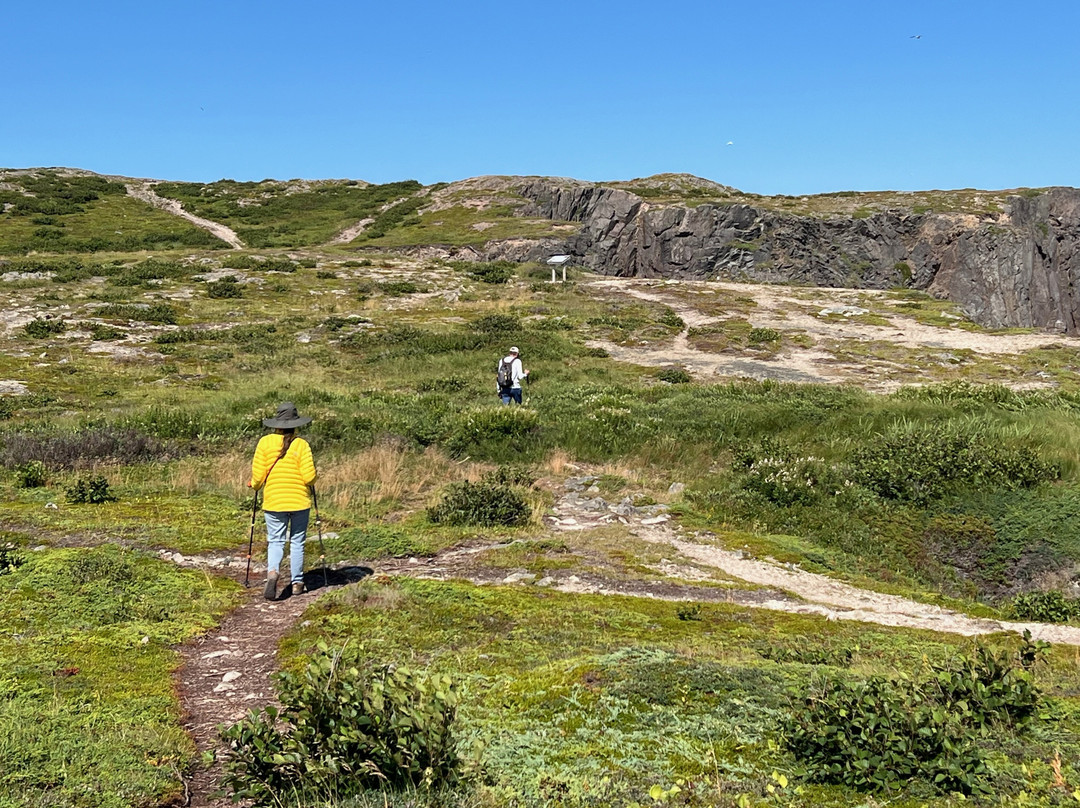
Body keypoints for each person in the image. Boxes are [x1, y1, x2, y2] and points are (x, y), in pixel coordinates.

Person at [249, 401, 317, 600]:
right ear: (296, 423)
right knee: (297, 542)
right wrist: (316, 477)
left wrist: (253, 485)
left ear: (276, 422)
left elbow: (258, 477)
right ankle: (297, 583)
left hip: (274, 502)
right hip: (299, 501)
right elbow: (309, 477)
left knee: (276, 541)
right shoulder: (302, 445)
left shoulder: (264, 443)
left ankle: (272, 573)